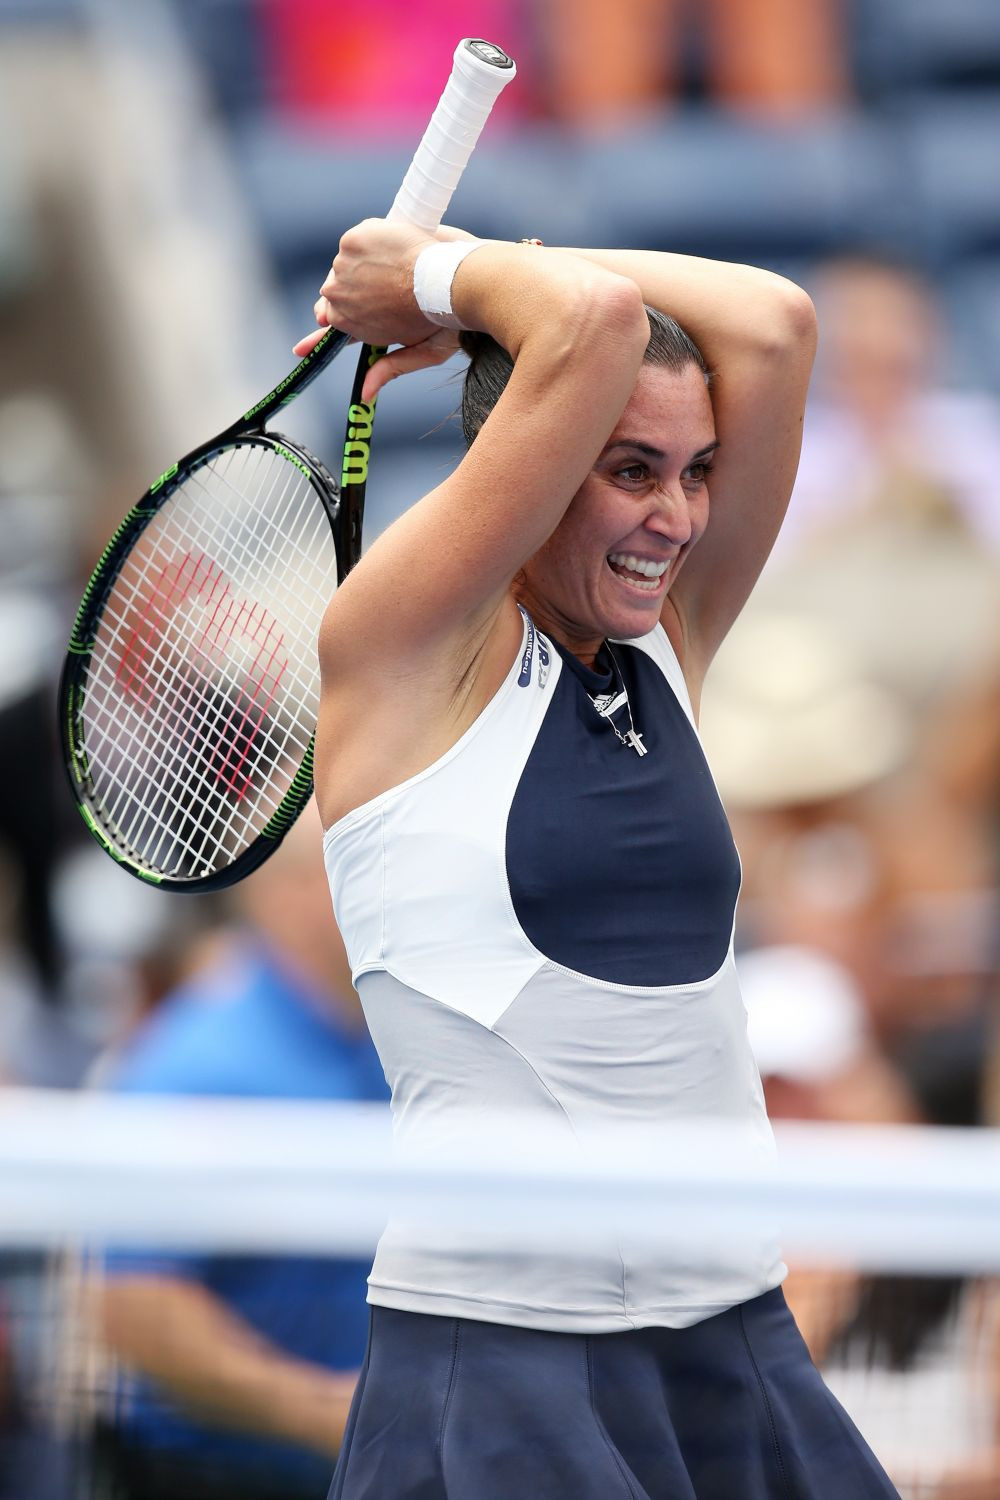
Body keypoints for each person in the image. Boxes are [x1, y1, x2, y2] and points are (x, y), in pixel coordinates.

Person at [294, 224, 899, 1495]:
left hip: (730, 1332)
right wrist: (433, 284)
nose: (677, 517)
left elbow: (776, 322)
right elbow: (589, 323)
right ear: (535, 454)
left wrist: (455, 256)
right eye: (630, 469)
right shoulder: (405, 651)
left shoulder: (666, 640)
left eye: (697, 471)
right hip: (510, 1355)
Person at [85, 809, 389, 1500]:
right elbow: (132, 1304)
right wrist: (325, 1412)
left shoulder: (389, 1036)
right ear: (285, 892)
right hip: (217, 1480)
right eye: (372, 865)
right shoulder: (192, 1066)